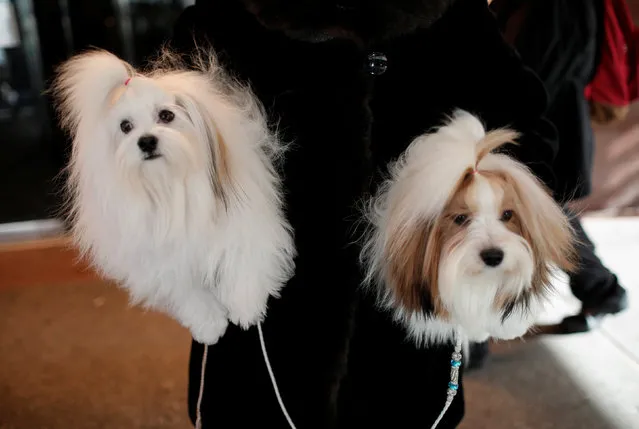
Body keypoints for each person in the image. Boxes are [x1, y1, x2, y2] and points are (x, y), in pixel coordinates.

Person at [169, 0, 560, 427]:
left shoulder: (453, 17)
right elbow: (150, 140)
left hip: (409, 313)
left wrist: (487, 196)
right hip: (264, 310)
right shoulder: (226, 18)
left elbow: (527, 130)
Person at [467, 0, 630, 368]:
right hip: (536, 130)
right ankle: (602, 290)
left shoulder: (564, 7)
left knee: (519, 225)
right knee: (538, 220)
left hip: (544, 132)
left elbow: (541, 69)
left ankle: (479, 337)